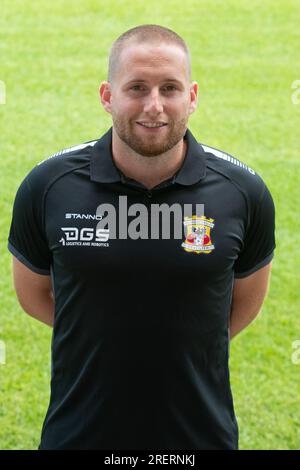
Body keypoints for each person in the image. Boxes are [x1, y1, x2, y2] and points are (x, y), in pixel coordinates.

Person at [8, 24, 276, 450]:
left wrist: (188, 338)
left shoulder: (243, 193)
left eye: (170, 88)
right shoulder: (48, 186)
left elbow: (242, 304)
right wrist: (98, 332)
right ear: (107, 96)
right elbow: (33, 295)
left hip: (199, 438)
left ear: (192, 96)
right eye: (136, 87)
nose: (154, 106)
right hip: (79, 437)